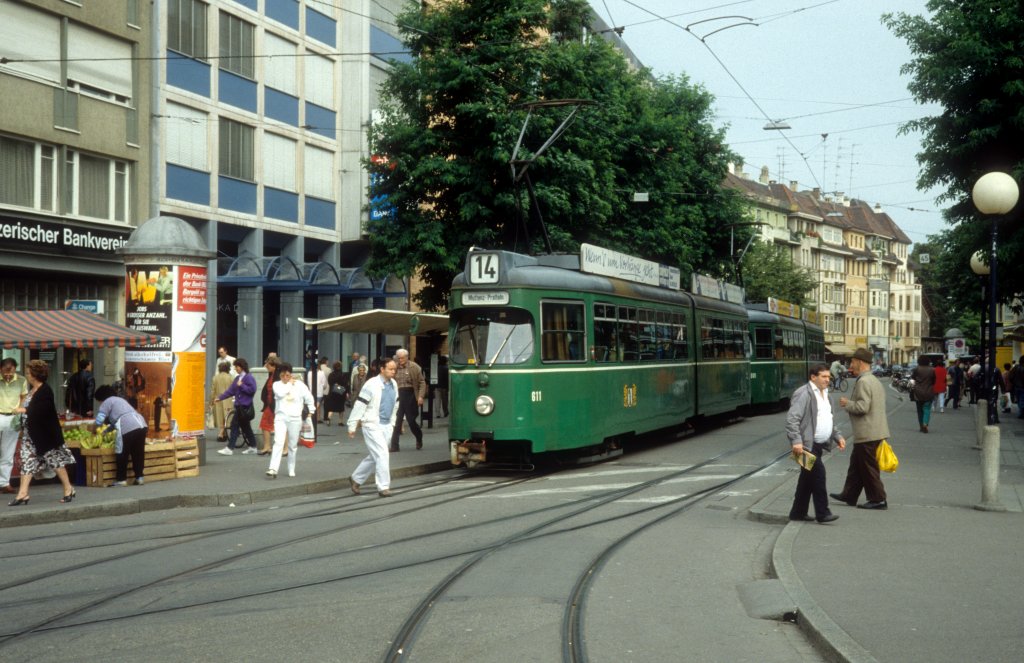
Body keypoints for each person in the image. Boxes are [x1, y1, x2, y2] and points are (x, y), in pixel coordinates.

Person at [9, 360, 76, 506]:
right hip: (30, 434)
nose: (26, 375)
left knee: (56, 462)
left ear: (35, 375)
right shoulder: (32, 391)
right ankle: (23, 494)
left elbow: (41, 411)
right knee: (27, 462)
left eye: (28, 373)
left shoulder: (45, 390)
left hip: (46, 436)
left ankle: (68, 488)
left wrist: (24, 410)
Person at [832, 348, 891, 510]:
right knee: (856, 465)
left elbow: (863, 407)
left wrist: (847, 404)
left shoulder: (864, 381)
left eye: (852, 362)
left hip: (868, 432)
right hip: (874, 430)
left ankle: (878, 499)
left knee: (868, 468)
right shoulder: (873, 380)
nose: (851, 365)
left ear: (860, 362)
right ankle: (849, 494)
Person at [786, 364, 845, 523]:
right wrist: (796, 441)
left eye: (828, 377)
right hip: (806, 445)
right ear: (813, 377)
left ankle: (798, 513)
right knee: (818, 475)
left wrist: (837, 436)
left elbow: (829, 419)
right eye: (824, 376)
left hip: (819, 445)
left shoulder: (826, 394)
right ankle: (823, 513)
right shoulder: (803, 394)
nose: (828, 379)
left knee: (806, 479)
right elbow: (792, 419)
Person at [347, 358, 399, 497]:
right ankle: (383, 487)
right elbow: (360, 404)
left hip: (387, 425)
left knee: (375, 455)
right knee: (382, 453)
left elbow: (395, 404)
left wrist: (393, 423)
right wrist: (352, 425)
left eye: (394, 369)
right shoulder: (371, 384)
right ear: (382, 369)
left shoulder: (393, 384)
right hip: (371, 424)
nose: (393, 371)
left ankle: (356, 478)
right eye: (390, 369)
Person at [266, 362, 315, 479]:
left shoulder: (300, 385)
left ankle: (291, 467)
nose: (285, 378)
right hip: (281, 417)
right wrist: (289, 384)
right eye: (282, 375)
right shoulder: (277, 385)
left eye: (287, 375)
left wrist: (311, 411)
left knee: (292, 445)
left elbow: (309, 397)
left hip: (295, 418)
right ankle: (273, 468)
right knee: (278, 441)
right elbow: (280, 394)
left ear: (291, 374)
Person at [93, 385, 149, 486]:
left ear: (101, 398)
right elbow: (119, 419)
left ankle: (121, 479)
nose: (100, 403)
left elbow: (99, 420)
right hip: (141, 425)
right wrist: (106, 431)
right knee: (138, 453)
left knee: (122, 453)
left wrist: (94, 429)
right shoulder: (120, 400)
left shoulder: (107, 402)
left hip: (127, 427)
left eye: (99, 401)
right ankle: (139, 477)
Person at [214, 358, 258, 455]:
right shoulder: (237, 378)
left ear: (242, 367)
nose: (236, 369)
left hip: (244, 406)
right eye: (235, 367)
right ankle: (253, 446)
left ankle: (230, 448)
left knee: (234, 425)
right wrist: (220, 397)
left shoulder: (248, 377)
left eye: (237, 367)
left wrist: (242, 385)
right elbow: (231, 391)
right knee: (246, 427)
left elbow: (252, 390)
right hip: (240, 406)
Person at [0, 357, 28, 494]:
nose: (8, 375)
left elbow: (24, 397)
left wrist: (20, 410)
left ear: (15, 369)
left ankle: (4, 483)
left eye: (10, 372)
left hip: (12, 418)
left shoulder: (21, 380)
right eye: (5, 372)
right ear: (1, 369)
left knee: (8, 452)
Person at [390, 348, 426, 451]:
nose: (400, 360)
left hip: (411, 395)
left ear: (407, 357)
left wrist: (420, 396)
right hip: (398, 396)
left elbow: (422, 383)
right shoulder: (394, 367)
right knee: (397, 421)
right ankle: (394, 446)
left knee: (411, 421)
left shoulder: (415, 367)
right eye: (398, 358)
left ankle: (419, 437)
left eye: (401, 358)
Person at [256, 356, 281, 455]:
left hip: (272, 404)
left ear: (273, 366)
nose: (266, 366)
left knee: (265, 425)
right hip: (270, 404)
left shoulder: (277, 375)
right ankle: (268, 446)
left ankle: (268, 446)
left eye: (267, 364)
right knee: (267, 425)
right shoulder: (273, 374)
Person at [909, 355, 936, 432]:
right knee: (927, 409)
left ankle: (921, 426)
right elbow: (934, 381)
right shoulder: (932, 370)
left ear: (919, 361)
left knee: (920, 410)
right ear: (928, 361)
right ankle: (925, 423)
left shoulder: (916, 369)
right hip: (929, 392)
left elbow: (912, 379)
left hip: (918, 392)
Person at [211, 361, 234, 442]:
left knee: (220, 417)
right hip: (228, 400)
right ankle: (222, 434)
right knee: (227, 417)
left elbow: (213, 391)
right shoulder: (231, 377)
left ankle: (221, 433)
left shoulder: (215, 378)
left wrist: (211, 401)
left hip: (218, 400)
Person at [324, 361, 349, 427]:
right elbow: (345, 384)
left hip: (332, 392)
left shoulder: (331, 375)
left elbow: (329, 383)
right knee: (341, 407)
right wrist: (346, 392)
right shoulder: (343, 374)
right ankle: (340, 421)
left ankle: (329, 418)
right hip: (340, 393)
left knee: (331, 407)